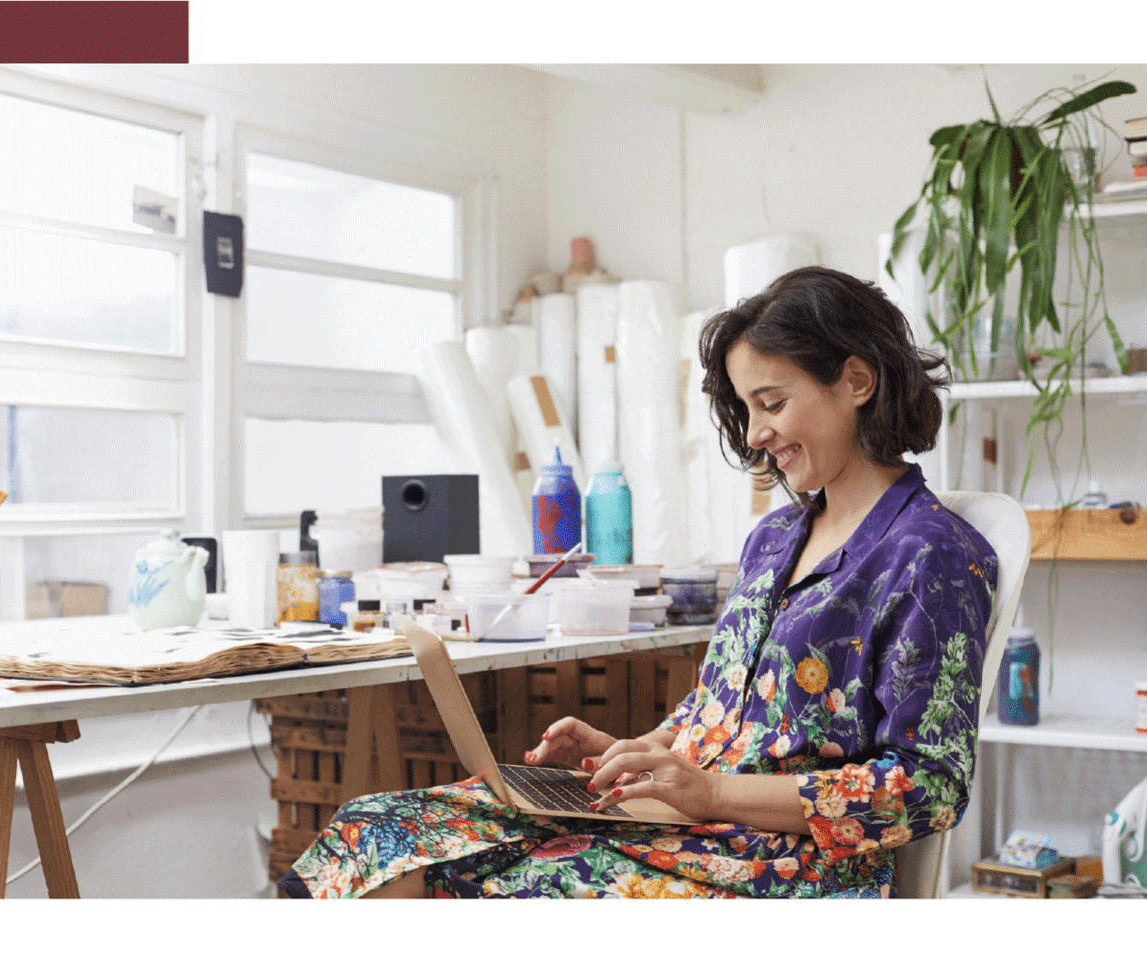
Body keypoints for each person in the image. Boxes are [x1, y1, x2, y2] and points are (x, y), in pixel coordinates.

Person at [278, 266, 998, 899]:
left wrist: (711, 790)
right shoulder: (775, 538)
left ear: (857, 380)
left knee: (479, 877)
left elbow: (928, 789)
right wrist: (630, 748)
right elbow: (720, 709)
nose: (752, 435)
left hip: (775, 863)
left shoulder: (931, 556)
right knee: (376, 829)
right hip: (685, 819)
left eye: (771, 404)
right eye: (745, 410)